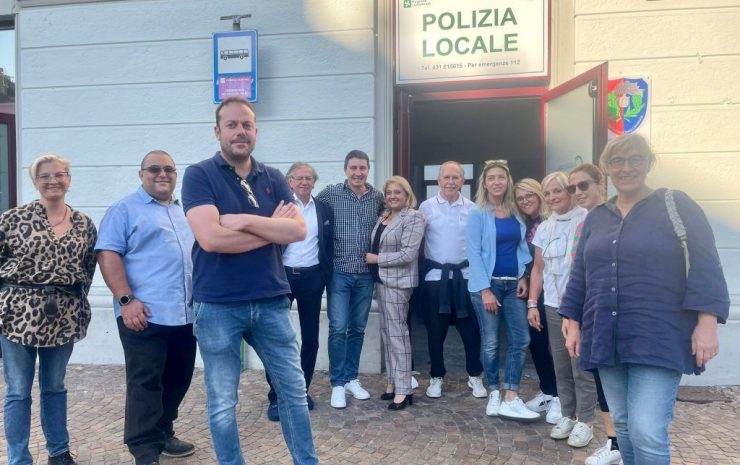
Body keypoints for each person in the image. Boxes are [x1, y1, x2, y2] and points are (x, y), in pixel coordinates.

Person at [560, 134, 729, 465]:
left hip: (659, 332)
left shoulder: (676, 204)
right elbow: (581, 273)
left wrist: (707, 321)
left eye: (635, 159)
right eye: (618, 161)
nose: (627, 168)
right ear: (607, 168)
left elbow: (707, 263)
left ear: (649, 163)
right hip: (605, 334)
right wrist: (572, 321)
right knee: (622, 425)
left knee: (647, 430)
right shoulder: (597, 216)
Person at [181, 96, 318, 465]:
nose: (240, 132)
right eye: (232, 125)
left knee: (293, 392)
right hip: (218, 305)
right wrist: (273, 229)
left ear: (256, 131)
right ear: (217, 131)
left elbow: (299, 230)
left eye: (247, 125)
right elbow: (211, 239)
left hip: (272, 299)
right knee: (224, 400)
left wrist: (241, 220)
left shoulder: (272, 177)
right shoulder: (199, 175)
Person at [96, 150, 197, 465]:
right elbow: (108, 254)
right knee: (145, 382)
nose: (162, 174)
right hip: (143, 315)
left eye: (169, 169)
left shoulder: (185, 212)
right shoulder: (124, 210)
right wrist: (126, 300)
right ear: (142, 175)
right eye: (155, 169)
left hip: (185, 314)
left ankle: (163, 431)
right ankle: (144, 449)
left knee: (179, 378)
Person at [0, 154, 97, 465]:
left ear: (69, 178)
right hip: (18, 315)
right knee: (17, 390)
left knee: (54, 386)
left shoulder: (84, 223)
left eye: (60, 174)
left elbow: (88, 267)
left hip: (65, 315)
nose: (53, 180)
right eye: (45, 176)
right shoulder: (12, 219)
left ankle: (58, 453)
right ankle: (19, 458)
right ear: (35, 182)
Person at [527, 171, 596, 447]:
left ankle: (586, 421)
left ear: (569, 191)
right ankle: (568, 414)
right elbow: (538, 269)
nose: (553, 197)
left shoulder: (588, 219)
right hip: (553, 305)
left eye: (558, 191)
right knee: (561, 363)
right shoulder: (545, 227)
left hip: (581, 306)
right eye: (548, 193)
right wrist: (533, 303)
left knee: (582, 365)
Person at [466, 159, 537, 421]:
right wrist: (485, 290)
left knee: (521, 340)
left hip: (512, 284)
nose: (496, 182)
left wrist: (523, 275)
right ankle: (494, 390)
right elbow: (473, 253)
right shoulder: (477, 212)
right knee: (492, 342)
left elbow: (520, 247)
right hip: (488, 285)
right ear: (484, 183)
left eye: (501, 177)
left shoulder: (515, 210)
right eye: (491, 178)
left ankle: (512, 395)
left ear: (508, 181)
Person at [265, 162, 334, 422]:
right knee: (276, 339)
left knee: (311, 339)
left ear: (314, 182)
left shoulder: (323, 208)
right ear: (290, 181)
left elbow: (327, 243)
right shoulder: (281, 208)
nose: (305, 182)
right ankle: (277, 396)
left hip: (312, 278)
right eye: (299, 178)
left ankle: (301, 391)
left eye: (309, 178)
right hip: (281, 277)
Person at [316, 150, 384, 409]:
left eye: (362, 168)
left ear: (368, 169)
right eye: (353, 168)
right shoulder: (331, 193)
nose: (358, 173)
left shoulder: (377, 197)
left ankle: (352, 379)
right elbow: (310, 211)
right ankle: (337, 384)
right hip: (339, 273)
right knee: (338, 328)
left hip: (366, 275)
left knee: (357, 328)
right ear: (345, 169)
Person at [567, 164, 621, 465]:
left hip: (619, 312)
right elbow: (579, 274)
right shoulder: (585, 222)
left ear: (602, 183)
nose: (577, 193)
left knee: (625, 381)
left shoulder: (618, 217)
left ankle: (630, 444)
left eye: (583, 186)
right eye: (572, 188)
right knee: (603, 379)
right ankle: (615, 443)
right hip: (592, 311)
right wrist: (572, 316)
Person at [418, 162, 486, 399]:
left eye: (455, 177)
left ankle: (475, 376)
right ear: (438, 180)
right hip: (436, 278)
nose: (450, 181)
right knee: (435, 332)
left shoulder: (473, 209)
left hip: (466, 278)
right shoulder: (425, 208)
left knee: (471, 331)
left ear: (463, 181)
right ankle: (436, 376)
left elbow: (480, 245)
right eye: (446, 177)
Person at [366, 176, 425, 410]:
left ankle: (404, 389)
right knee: (387, 333)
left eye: (397, 192)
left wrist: (376, 259)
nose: (392, 196)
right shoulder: (384, 216)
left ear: (407, 194)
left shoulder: (413, 217)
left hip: (399, 283)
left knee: (398, 335)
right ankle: (392, 382)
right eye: (389, 192)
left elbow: (408, 254)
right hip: (381, 281)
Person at [513, 178, 562, 425]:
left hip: (556, 290)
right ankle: (548, 391)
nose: (525, 201)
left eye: (529, 196)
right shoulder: (525, 223)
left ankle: (563, 398)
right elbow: (528, 261)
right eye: (520, 198)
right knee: (537, 342)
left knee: (559, 347)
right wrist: (523, 277)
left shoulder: (553, 219)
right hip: (535, 289)